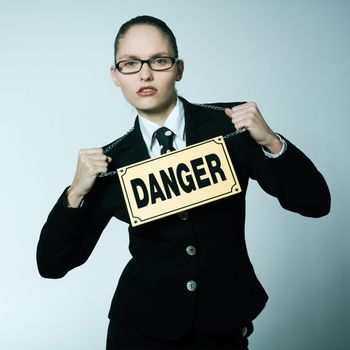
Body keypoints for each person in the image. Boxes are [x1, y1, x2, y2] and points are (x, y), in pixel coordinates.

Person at [36, 15, 331, 350]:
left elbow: (316, 203)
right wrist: (75, 193)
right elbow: (52, 264)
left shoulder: (232, 126)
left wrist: (272, 142)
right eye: (130, 64)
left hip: (222, 328)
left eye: (159, 61)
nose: (145, 74)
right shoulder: (111, 163)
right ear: (115, 76)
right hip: (139, 331)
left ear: (179, 69)